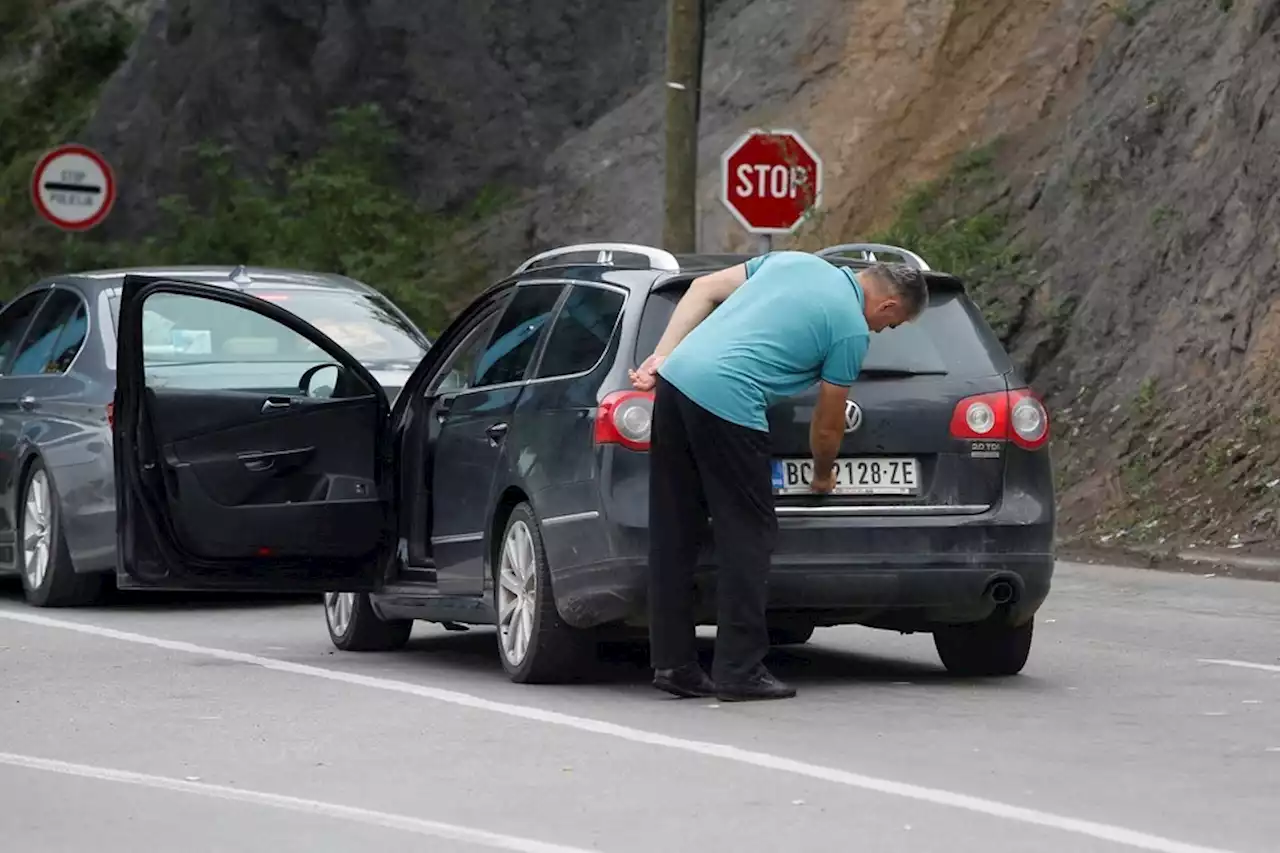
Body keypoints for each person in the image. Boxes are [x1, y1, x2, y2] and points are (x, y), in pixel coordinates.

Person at [629, 251, 929, 701]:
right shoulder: (849, 327)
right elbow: (828, 425)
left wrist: (661, 357)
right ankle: (739, 670)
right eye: (891, 324)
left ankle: (674, 664)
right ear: (887, 305)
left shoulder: (793, 261)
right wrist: (824, 476)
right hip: (728, 401)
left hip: (675, 384)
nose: (881, 331)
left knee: (675, 531)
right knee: (748, 535)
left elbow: (701, 289)